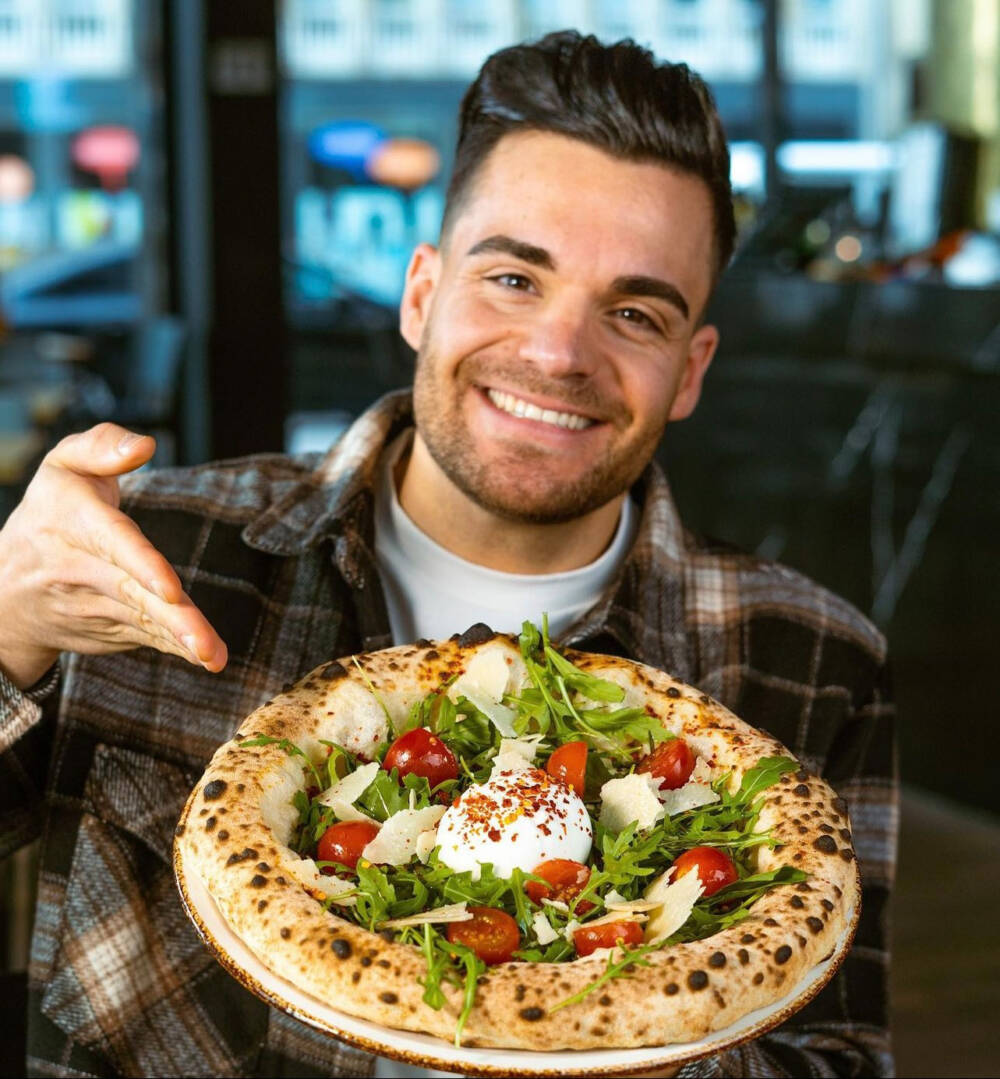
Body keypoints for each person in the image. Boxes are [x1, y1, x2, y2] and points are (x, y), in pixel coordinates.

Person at [0, 31, 895, 1079]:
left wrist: (613, 1030)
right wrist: (6, 635)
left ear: (688, 370)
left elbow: (839, 1054)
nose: (559, 353)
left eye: (634, 311)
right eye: (514, 276)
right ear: (421, 292)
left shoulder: (816, 655)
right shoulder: (149, 553)